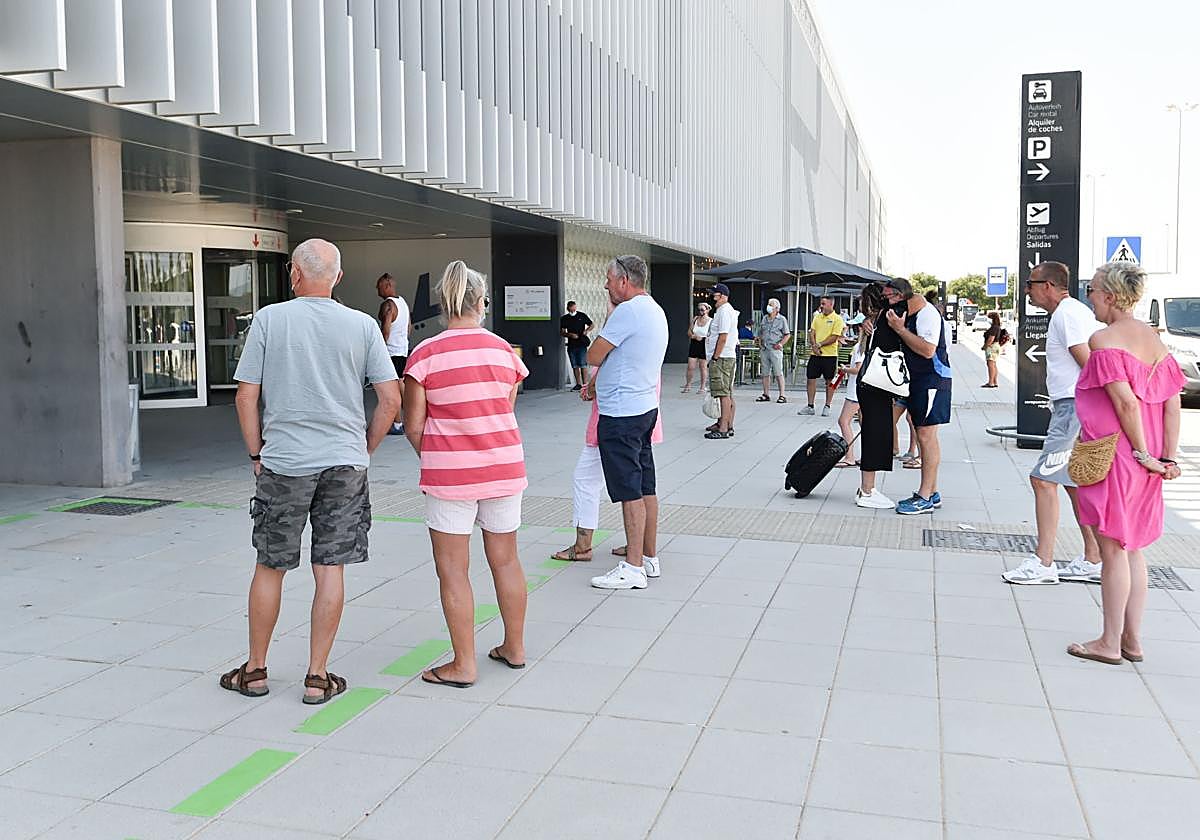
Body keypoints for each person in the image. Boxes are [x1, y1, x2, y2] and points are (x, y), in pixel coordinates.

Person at [224, 239, 401, 704]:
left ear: (293, 274)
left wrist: (255, 454)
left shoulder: (269, 320)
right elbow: (391, 398)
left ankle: (257, 670)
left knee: (270, 565)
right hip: (344, 462)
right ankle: (317, 677)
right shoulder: (363, 325)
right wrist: (364, 448)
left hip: (283, 462)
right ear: (337, 277)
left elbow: (245, 395)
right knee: (330, 567)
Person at [403, 260, 529, 688]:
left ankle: (464, 664)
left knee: (454, 571)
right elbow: (504, 410)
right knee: (506, 561)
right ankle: (514, 646)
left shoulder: (425, 354)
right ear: (482, 302)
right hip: (503, 467)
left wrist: (440, 452)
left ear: (443, 303)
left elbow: (414, 425)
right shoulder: (504, 352)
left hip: (449, 476)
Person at [1066, 262, 1184, 665]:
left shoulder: (1104, 340)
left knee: (1113, 548)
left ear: (1111, 296)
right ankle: (1132, 641)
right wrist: (1164, 457)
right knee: (1134, 550)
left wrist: (1141, 453)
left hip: (1119, 455)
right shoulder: (1155, 341)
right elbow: (1172, 404)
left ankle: (1109, 642)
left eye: (1095, 291)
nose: (1091, 297)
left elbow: (1125, 402)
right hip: (1148, 461)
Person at [1004, 262, 1104, 585]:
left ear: (1047, 285)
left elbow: (1089, 363)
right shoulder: (1070, 312)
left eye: (1030, 284)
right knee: (1074, 485)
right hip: (1074, 406)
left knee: (1043, 480)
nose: (1027, 290)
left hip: (1073, 409)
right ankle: (1093, 558)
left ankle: (1044, 562)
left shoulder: (1066, 314)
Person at [587, 255, 669, 590]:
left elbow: (594, 354)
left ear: (624, 281)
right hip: (644, 407)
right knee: (644, 483)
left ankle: (632, 567)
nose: (605, 285)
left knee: (628, 490)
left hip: (622, 413)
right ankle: (648, 557)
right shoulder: (654, 309)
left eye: (609, 279)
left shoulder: (628, 311)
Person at [886, 277, 953, 515]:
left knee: (926, 435)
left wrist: (900, 330)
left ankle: (925, 496)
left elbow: (927, 350)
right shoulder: (910, 314)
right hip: (918, 380)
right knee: (925, 433)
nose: (889, 303)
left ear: (903, 295)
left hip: (932, 380)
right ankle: (931, 492)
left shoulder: (926, 314)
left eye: (892, 297)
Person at [855, 282, 900, 508]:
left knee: (875, 433)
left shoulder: (875, 321)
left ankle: (868, 488)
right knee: (875, 435)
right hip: (875, 385)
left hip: (870, 384)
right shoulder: (885, 320)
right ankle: (867, 490)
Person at [376, 273, 411, 435]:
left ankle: (397, 425)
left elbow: (386, 331)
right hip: (402, 351)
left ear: (388, 285)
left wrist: (379, 352)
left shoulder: (388, 305)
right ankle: (411, 418)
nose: (377, 289)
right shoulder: (403, 303)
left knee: (392, 390)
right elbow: (409, 329)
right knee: (401, 385)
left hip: (390, 353)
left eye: (380, 286)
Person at [704, 283, 739, 439]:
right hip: (726, 356)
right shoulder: (724, 311)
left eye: (715, 294)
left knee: (723, 393)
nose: (713, 297)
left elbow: (723, 337)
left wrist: (715, 357)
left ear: (723, 296)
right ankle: (724, 423)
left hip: (722, 357)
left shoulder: (724, 311)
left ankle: (723, 428)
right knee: (725, 392)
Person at [801, 296, 846, 417]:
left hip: (830, 355)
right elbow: (812, 332)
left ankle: (827, 405)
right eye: (821, 304)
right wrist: (814, 346)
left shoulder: (837, 319)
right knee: (811, 378)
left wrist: (820, 344)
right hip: (815, 354)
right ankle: (810, 405)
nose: (821, 306)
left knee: (830, 381)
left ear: (831, 305)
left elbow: (834, 337)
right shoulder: (817, 317)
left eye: (823, 304)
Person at [834, 312, 868, 468]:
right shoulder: (864, 346)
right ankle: (867, 455)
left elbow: (858, 369)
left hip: (855, 391)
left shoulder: (860, 347)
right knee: (864, 423)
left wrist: (845, 370)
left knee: (844, 421)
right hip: (862, 389)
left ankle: (850, 456)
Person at [756, 298, 791, 403]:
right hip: (764, 348)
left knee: (778, 372)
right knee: (765, 372)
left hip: (775, 348)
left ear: (777, 308)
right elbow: (761, 331)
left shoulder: (782, 319)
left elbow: (787, 334)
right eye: (769, 304)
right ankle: (766, 394)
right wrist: (759, 340)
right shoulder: (764, 318)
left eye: (771, 305)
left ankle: (782, 395)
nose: (769, 307)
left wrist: (780, 344)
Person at [560, 300, 594, 391]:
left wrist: (586, 331)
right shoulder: (564, 318)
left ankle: (585, 384)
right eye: (571, 308)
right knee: (575, 365)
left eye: (574, 308)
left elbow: (591, 324)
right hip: (571, 344)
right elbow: (562, 332)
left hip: (582, 343)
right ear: (568, 308)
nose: (573, 310)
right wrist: (569, 335)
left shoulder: (581, 316)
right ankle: (578, 384)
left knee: (583, 364)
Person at [683, 303, 712, 393]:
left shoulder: (711, 321)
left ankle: (702, 387)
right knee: (690, 366)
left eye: (702, 310)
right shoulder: (695, 319)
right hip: (694, 343)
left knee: (703, 367)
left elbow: (712, 334)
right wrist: (694, 336)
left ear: (707, 310)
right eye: (699, 310)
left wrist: (706, 338)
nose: (700, 312)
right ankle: (688, 384)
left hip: (704, 344)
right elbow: (689, 332)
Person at [981, 312, 1002, 388]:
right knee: (994, 364)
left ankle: (991, 382)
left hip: (991, 347)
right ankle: (995, 381)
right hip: (996, 346)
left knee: (990, 365)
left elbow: (991, 339)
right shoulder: (997, 326)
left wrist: (985, 346)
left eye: (989, 317)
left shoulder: (994, 328)